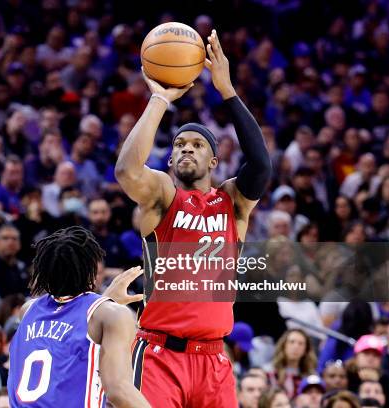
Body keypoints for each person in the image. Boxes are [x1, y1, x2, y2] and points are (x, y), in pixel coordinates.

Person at [114, 30, 271, 407]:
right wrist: (158, 99)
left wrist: (227, 90)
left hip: (214, 359)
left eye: (197, 145)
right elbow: (126, 170)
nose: (187, 148)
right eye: (180, 145)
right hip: (160, 354)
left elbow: (261, 166)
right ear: (169, 160)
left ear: (213, 161)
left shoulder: (231, 202)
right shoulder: (163, 197)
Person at [8, 226, 149, 407]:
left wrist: (106, 300)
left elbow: (66, 330)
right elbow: (119, 390)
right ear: (91, 270)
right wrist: (107, 304)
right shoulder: (111, 315)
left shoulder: (28, 310)